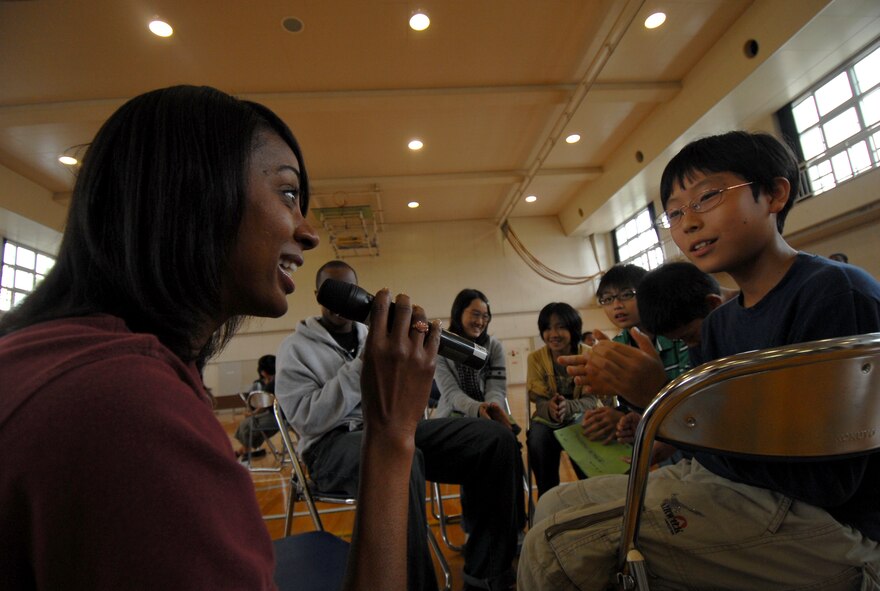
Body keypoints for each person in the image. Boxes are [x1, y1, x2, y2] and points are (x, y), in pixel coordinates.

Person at [0, 84, 444, 591]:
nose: (308, 232)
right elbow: (311, 419)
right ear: (194, 190)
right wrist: (390, 434)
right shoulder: (124, 407)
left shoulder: (78, 359)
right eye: (288, 194)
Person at [518, 131, 880, 590]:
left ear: (773, 193)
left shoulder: (830, 292)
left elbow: (827, 481)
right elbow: (714, 447)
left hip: (836, 527)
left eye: (707, 198)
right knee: (554, 505)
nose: (687, 223)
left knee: (555, 547)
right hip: (746, 492)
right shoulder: (723, 323)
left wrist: (664, 397)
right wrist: (652, 411)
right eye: (673, 213)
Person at [276, 262, 521, 591]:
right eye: (330, 291)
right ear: (318, 294)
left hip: (391, 426)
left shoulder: (378, 334)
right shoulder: (296, 348)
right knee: (398, 459)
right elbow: (308, 419)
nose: (340, 302)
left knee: (494, 440)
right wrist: (365, 363)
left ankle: (486, 575)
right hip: (331, 446)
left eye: (349, 291)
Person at [581, 264, 690, 443]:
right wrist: (616, 416)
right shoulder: (617, 346)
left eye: (627, 295)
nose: (617, 305)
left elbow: (691, 404)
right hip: (651, 437)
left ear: (649, 293)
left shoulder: (679, 335)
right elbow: (629, 404)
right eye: (607, 299)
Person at [526, 302, 597, 497]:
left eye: (561, 326)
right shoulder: (535, 359)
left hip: (582, 416)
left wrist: (570, 406)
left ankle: (594, 495)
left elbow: (593, 400)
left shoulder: (589, 355)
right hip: (547, 419)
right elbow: (537, 400)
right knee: (538, 439)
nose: (553, 334)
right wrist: (550, 408)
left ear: (573, 329)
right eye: (547, 328)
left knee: (587, 432)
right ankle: (547, 497)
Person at [432, 289, 511, 426]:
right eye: (475, 314)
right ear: (458, 313)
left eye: (485, 316)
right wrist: (477, 409)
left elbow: (496, 389)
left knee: (506, 440)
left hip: (490, 412)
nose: (480, 322)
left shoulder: (494, 347)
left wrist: (491, 408)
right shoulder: (441, 347)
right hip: (453, 415)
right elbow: (451, 393)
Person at [234, 354, 278, 459]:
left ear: (263, 372)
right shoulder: (276, 380)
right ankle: (243, 451)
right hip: (277, 414)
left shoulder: (269, 384)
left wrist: (252, 413)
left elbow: (264, 404)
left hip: (278, 416)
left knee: (248, 424)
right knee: (248, 423)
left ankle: (244, 452)